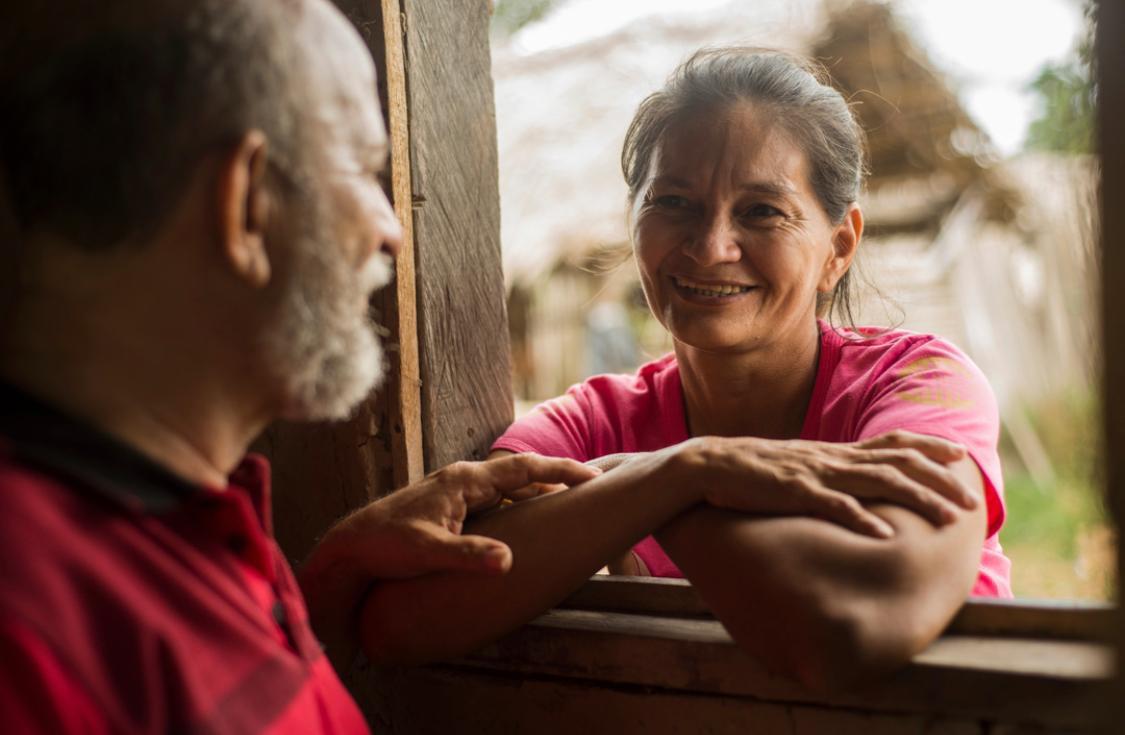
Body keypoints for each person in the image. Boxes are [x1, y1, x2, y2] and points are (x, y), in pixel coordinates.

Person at [0, 2, 603, 732]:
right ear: (246, 204)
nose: (392, 232)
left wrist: (333, 577)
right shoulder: (34, 635)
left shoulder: (191, 526)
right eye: (361, 168)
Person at [360, 48, 1010, 691]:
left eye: (761, 211)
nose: (709, 246)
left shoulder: (917, 384)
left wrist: (648, 487)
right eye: (673, 201)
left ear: (838, 247)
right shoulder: (591, 422)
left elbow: (852, 625)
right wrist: (684, 473)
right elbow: (402, 623)